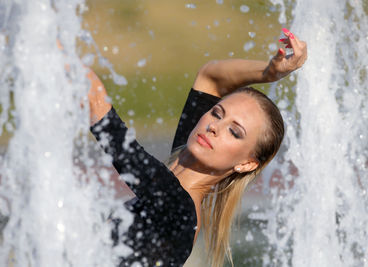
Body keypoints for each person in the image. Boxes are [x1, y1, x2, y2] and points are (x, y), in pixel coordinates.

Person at [89, 28, 307, 267]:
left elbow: (103, 116)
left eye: (234, 132)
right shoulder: (180, 172)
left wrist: (50, 46)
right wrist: (268, 72)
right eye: (216, 113)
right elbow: (210, 78)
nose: (214, 127)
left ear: (246, 163)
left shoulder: (178, 210)